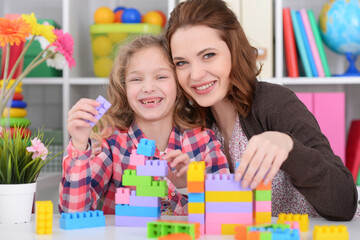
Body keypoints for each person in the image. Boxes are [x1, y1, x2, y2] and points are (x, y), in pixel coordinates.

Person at [165, 0, 358, 220]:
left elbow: (345, 203)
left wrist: (289, 147)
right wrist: (190, 185)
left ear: (234, 51)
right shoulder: (192, 125)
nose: (196, 74)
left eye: (208, 55)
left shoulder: (274, 102)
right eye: (181, 63)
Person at [58, 34, 229, 216]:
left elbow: (227, 213)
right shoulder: (112, 144)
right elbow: (73, 213)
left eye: (161, 76)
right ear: (124, 88)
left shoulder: (204, 142)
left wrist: (189, 186)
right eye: (136, 79)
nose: (148, 88)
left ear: (178, 85)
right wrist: (79, 143)